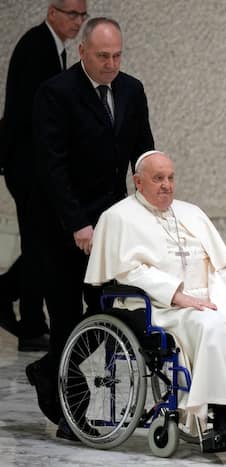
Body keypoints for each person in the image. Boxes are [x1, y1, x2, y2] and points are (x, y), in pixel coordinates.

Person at [84, 150, 226, 447]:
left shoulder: (191, 212)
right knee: (212, 326)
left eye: (171, 178)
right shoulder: (118, 217)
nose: (167, 185)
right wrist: (176, 294)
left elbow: (220, 264)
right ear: (138, 181)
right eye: (158, 178)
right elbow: (129, 272)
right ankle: (224, 418)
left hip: (208, 296)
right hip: (156, 305)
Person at [26, 16, 154, 439]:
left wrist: (151, 206)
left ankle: (49, 371)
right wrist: (77, 222)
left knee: (108, 311)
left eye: (117, 55)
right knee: (65, 318)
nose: (111, 64)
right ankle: (71, 415)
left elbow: (142, 153)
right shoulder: (55, 93)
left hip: (111, 221)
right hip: (64, 224)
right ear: (82, 51)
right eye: (103, 56)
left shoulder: (132, 90)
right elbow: (52, 167)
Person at [0, 0, 89, 351]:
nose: (78, 21)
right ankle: (9, 296)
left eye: (83, 15)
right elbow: (34, 116)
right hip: (30, 167)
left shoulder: (51, 47)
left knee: (39, 243)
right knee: (43, 244)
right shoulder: (37, 47)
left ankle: (33, 325)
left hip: (34, 165)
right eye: (72, 14)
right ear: (52, 12)